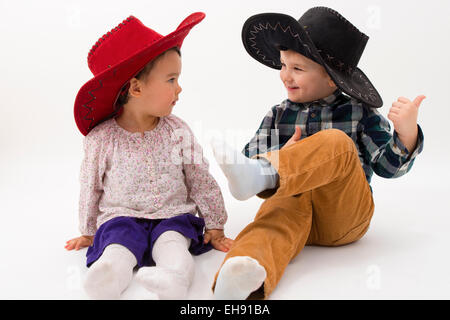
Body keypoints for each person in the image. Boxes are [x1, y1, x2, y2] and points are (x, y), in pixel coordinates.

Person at [210, 7, 425, 300]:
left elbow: (389, 167)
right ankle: (239, 284)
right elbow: (247, 161)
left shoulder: (359, 113)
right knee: (268, 225)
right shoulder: (278, 114)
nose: (286, 75)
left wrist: (406, 134)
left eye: (297, 68)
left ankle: (270, 172)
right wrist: (276, 155)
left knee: (336, 142)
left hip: (343, 216)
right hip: (292, 208)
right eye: (283, 65)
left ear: (333, 79)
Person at [65, 12, 233, 300]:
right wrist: (89, 231)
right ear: (136, 87)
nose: (179, 88)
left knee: (173, 245)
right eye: (171, 79)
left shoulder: (177, 130)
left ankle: (174, 279)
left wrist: (215, 225)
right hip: (122, 217)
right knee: (117, 246)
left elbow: (199, 177)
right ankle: (107, 279)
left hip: (172, 216)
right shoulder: (102, 139)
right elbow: (90, 186)